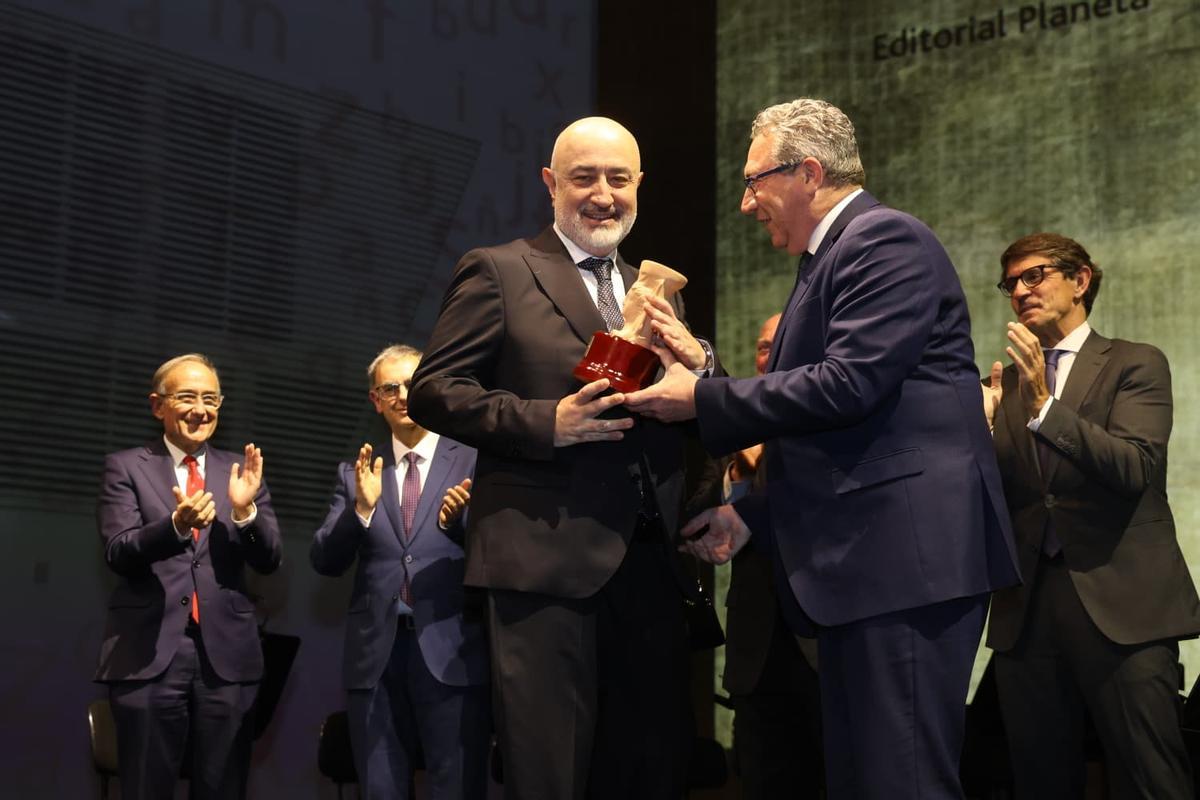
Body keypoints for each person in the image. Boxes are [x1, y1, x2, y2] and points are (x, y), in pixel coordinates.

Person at [624, 98, 1020, 799]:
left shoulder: (882, 240)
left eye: (755, 182)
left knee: (902, 783)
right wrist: (748, 504)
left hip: (903, 565)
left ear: (808, 171)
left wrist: (700, 397)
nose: (747, 203)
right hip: (866, 569)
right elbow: (826, 419)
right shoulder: (826, 260)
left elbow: (849, 385)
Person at [408, 116, 714, 800]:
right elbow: (433, 391)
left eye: (618, 178)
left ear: (640, 186)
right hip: (543, 570)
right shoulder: (502, 270)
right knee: (551, 777)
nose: (603, 194)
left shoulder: (661, 293)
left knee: (651, 772)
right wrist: (549, 422)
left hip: (651, 573)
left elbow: (681, 415)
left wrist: (703, 370)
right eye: (584, 177)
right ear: (551, 184)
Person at [984, 233, 1200, 799]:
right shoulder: (1001, 388)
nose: (1021, 291)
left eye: (1036, 276)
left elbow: (1133, 466)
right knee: (1039, 782)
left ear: (1080, 281)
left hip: (1121, 604)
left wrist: (1043, 406)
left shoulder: (1134, 362)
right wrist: (976, 442)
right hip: (1027, 611)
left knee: (1151, 778)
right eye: (1012, 283)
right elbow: (999, 502)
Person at [95, 353, 282, 799]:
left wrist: (245, 512)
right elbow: (119, 551)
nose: (201, 409)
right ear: (158, 405)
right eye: (187, 397)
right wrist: (175, 526)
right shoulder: (126, 466)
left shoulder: (240, 471)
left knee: (223, 787)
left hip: (227, 656)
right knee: (145, 786)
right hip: (150, 651)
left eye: (210, 399)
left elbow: (270, 559)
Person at [311, 344, 490, 799]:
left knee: (457, 787)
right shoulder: (356, 475)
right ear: (375, 400)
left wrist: (460, 524)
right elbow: (325, 560)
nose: (402, 395)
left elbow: (507, 552)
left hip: (454, 651)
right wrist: (361, 511)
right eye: (390, 388)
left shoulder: (474, 461)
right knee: (381, 788)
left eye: (413, 384)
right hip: (376, 657)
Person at [685, 312, 824, 799]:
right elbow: (696, 516)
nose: (768, 355)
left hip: (825, 641)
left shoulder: (828, 420)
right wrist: (737, 478)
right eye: (762, 347)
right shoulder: (736, 430)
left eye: (778, 344)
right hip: (756, 648)